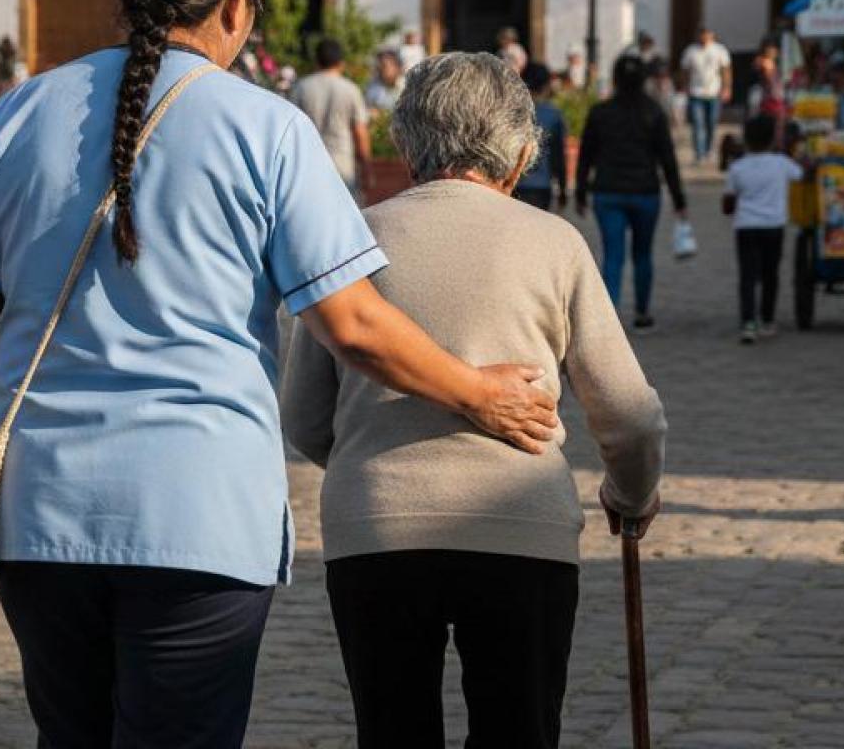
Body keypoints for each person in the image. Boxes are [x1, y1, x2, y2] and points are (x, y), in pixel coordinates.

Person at [0, 0, 559, 749]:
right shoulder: (268, 130)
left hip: (38, 508)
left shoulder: (18, 114)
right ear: (239, 2)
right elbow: (356, 326)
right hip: (196, 514)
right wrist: (478, 392)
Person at [282, 51, 665, 749]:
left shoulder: (351, 238)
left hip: (377, 530)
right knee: (518, 732)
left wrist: (376, 454)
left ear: (405, 142)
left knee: (393, 734)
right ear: (522, 154)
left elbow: (304, 416)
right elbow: (630, 416)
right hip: (522, 527)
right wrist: (631, 495)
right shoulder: (555, 243)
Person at [575, 53, 687, 330]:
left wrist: (579, 192)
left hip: (608, 191)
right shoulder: (653, 112)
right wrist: (678, 198)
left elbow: (585, 156)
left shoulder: (600, 113)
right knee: (643, 253)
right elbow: (668, 158)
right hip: (645, 192)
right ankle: (642, 311)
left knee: (613, 255)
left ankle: (610, 314)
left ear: (614, 79)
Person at [723, 114, 805, 344]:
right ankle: (767, 320)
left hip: (746, 227)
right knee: (770, 274)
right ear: (773, 139)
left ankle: (748, 323)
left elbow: (727, 205)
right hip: (773, 226)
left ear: (746, 139)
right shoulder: (781, 163)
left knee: (747, 276)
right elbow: (802, 174)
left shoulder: (738, 167)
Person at [292, 37, 372, 198]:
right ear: (341, 63)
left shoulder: (301, 88)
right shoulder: (350, 89)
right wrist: (366, 169)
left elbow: (291, 129)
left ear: (317, 61)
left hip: (309, 164)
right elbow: (360, 132)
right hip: (342, 166)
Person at [515, 61, 567, 210]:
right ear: (546, 85)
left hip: (514, 184)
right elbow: (558, 155)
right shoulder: (553, 114)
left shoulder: (511, 111)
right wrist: (562, 188)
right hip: (541, 185)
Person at [679, 27, 732, 165]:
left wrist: (726, 88)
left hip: (714, 92)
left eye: (707, 35)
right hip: (696, 92)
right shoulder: (691, 51)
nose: (705, 38)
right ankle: (699, 153)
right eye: (702, 35)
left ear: (712, 36)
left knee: (711, 123)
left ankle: (708, 150)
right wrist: (684, 86)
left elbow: (725, 70)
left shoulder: (719, 50)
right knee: (697, 123)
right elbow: (685, 70)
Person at [364, 48, 405, 112]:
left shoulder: (407, 87)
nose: (381, 69)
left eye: (385, 66)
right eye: (379, 66)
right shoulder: (373, 87)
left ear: (397, 67)